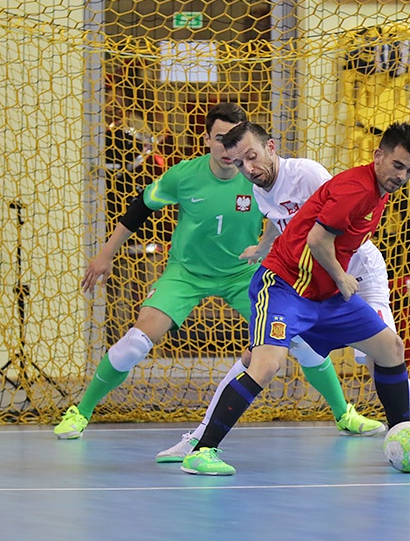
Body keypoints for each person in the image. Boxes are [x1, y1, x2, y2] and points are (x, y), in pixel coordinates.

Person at [156, 122, 410, 468]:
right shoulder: (355, 189)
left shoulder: (347, 184)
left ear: (271, 148)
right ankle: (201, 450)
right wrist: (338, 275)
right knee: (265, 364)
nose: (402, 176)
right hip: (286, 287)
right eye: (397, 166)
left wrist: (340, 278)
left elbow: (308, 217)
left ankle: (404, 435)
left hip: (328, 291)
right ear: (379, 156)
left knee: (390, 349)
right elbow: (317, 239)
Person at [54, 103, 384, 438]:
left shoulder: (260, 179)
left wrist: (265, 250)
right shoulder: (184, 175)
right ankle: (80, 411)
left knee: (301, 342)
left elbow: (282, 219)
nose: (230, 148)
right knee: (135, 343)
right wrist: (105, 254)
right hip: (186, 273)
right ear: (207, 139)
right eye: (221, 139)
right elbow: (142, 206)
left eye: (236, 140)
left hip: (243, 274)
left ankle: (344, 414)